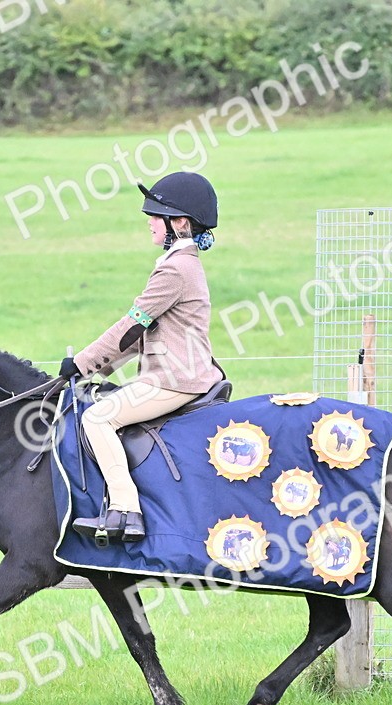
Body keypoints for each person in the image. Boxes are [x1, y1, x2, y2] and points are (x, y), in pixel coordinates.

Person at [59, 172, 226, 543]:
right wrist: (95, 372)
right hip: (174, 374)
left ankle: (125, 510)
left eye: (157, 215)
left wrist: (81, 363)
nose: (149, 221)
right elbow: (142, 335)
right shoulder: (181, 264)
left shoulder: (175, 269)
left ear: (180, 223)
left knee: (97, 418)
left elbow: (130, 325)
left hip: (175, 380)